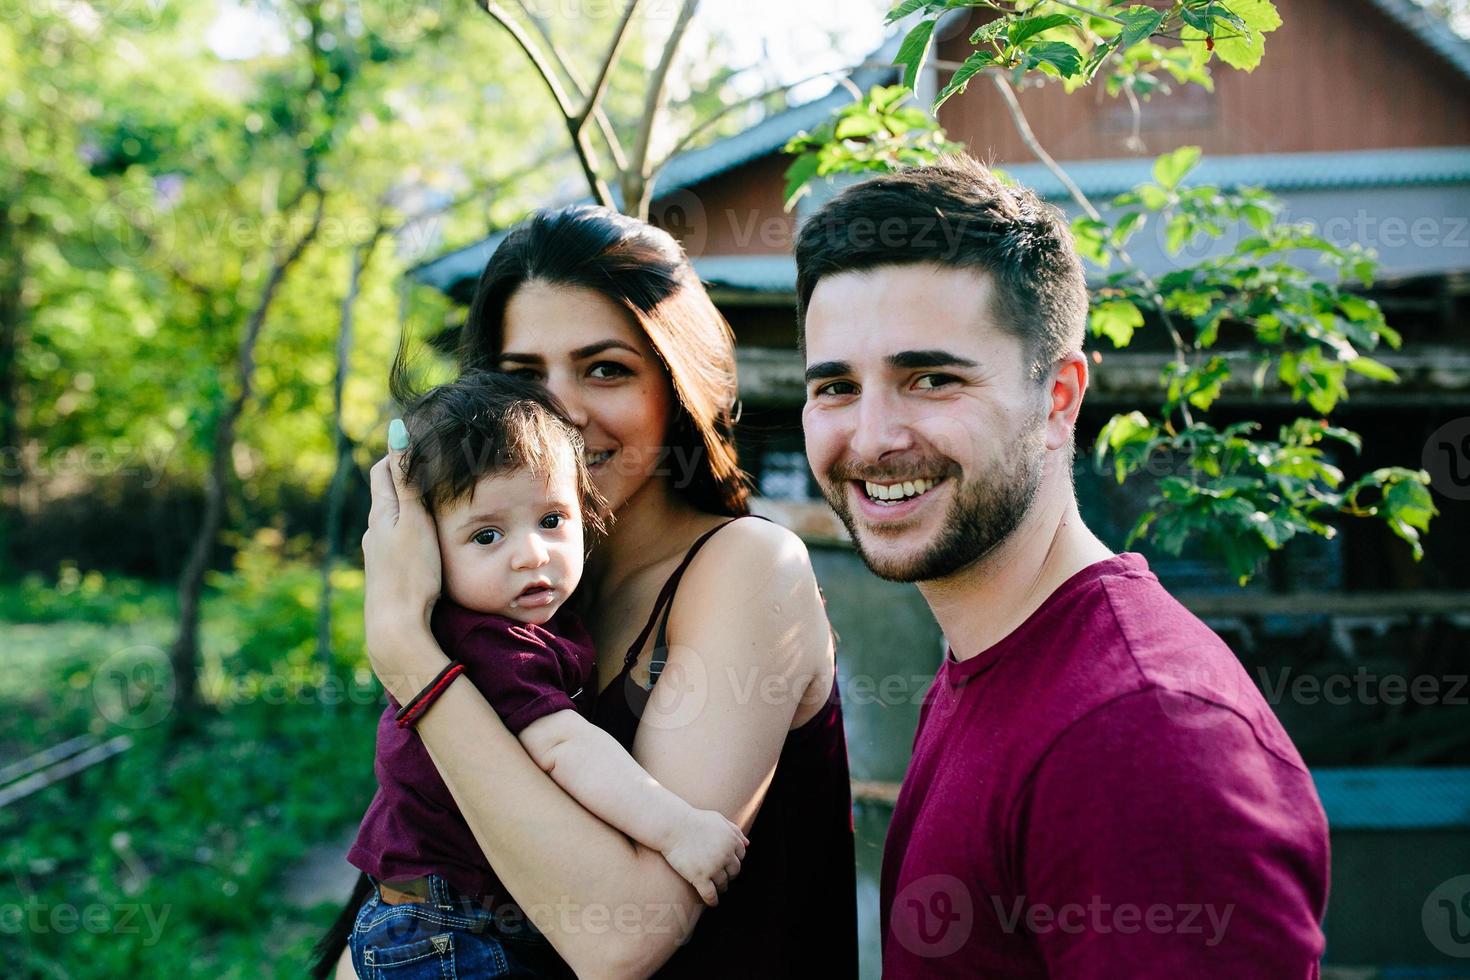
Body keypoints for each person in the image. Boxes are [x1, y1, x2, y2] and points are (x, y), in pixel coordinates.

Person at [795, 155, 1330, 977]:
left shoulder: (1146, 733)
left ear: (1059, 399)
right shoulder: (993, 661)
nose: (870, 438)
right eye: (835, 387)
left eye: (930, 379)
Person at [317, 205, 858, 979]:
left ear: (677, 387)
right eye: (522, 377)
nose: (560, 415)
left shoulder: (747, 569)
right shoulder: (516, 595)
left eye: (605, 369)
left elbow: (620, 940)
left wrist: (407, 653)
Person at [344, 370, 750, 978]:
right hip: (447, 929)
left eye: (552, 520)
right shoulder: (487, 643)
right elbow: (564, 748)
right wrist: (679, 829)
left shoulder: (526, 628)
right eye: (487, 534)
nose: (531, 553)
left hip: (435, 918)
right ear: (424, 548)